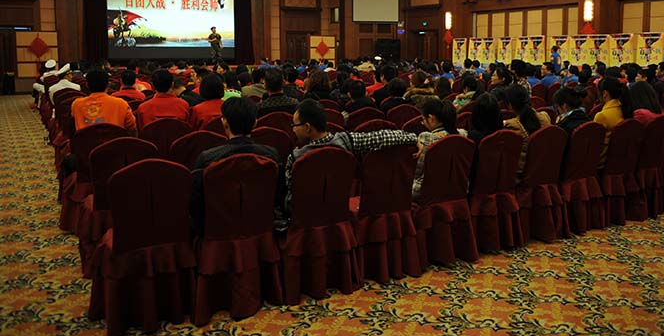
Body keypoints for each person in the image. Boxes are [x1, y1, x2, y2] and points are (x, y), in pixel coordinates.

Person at [275, 99, 417, 231]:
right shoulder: (347, 140)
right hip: (341, 217)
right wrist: (414, 138)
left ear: (307, 127)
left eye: (294, 125)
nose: (293, 129)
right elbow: (385, 136)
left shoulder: (295, 157)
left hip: (307, 223)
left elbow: (290, 202)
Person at [191, 97, 280, 235]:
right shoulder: (270, 155)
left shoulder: (208, 159)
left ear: (224, 122)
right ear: (255, 123)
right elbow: (278, 196)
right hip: (260, 228)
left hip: (218, 230)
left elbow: (196, 203)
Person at [412, 99, 467, 199]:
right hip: (459, 190)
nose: (423, 123)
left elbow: (417, 172)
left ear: (431, 118)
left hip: (428, 193)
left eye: (423, 120)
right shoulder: (463, 135)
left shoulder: (427, 137)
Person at [71, 70, 136, 135]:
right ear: (108, 85)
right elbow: (132, 128)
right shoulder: (121, 104)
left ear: (87, 85)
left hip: (85, 141)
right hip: (115, 140)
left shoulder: (76, 104)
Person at [503, 84, 551, 174]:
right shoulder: (545, 117)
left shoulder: (511, 125)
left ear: (509, 105)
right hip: (546, 169)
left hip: (523, 174)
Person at [594, 77, 632, 163]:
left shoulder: (602, 116)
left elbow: (595, 147)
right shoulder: (625, 108)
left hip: (603, 163)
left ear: (604, 93)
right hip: (623, 160)